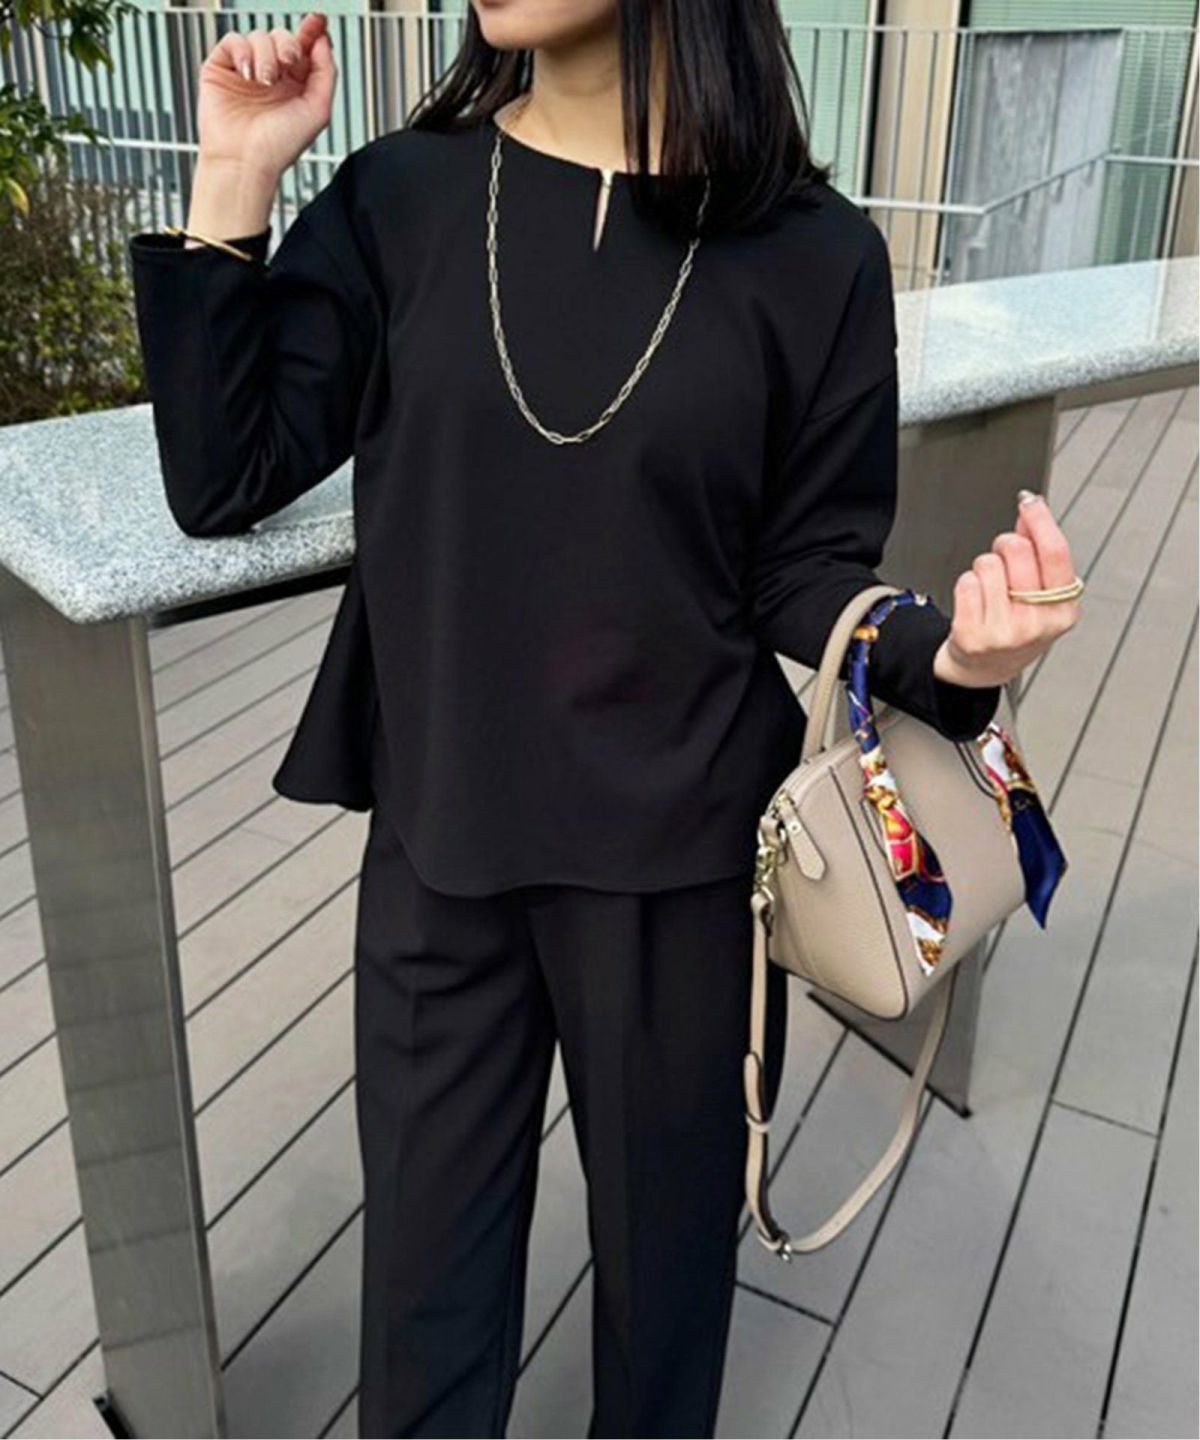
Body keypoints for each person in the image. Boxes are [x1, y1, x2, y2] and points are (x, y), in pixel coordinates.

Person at [126, 3, 1082, 1434]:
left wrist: (952, 654)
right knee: (422, 1305)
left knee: (666, 1298)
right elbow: (225, 474)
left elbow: (805, 568)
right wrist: (236, 176)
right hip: (441, 845)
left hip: (685, 871)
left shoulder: (812, 253)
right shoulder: (405, 197)